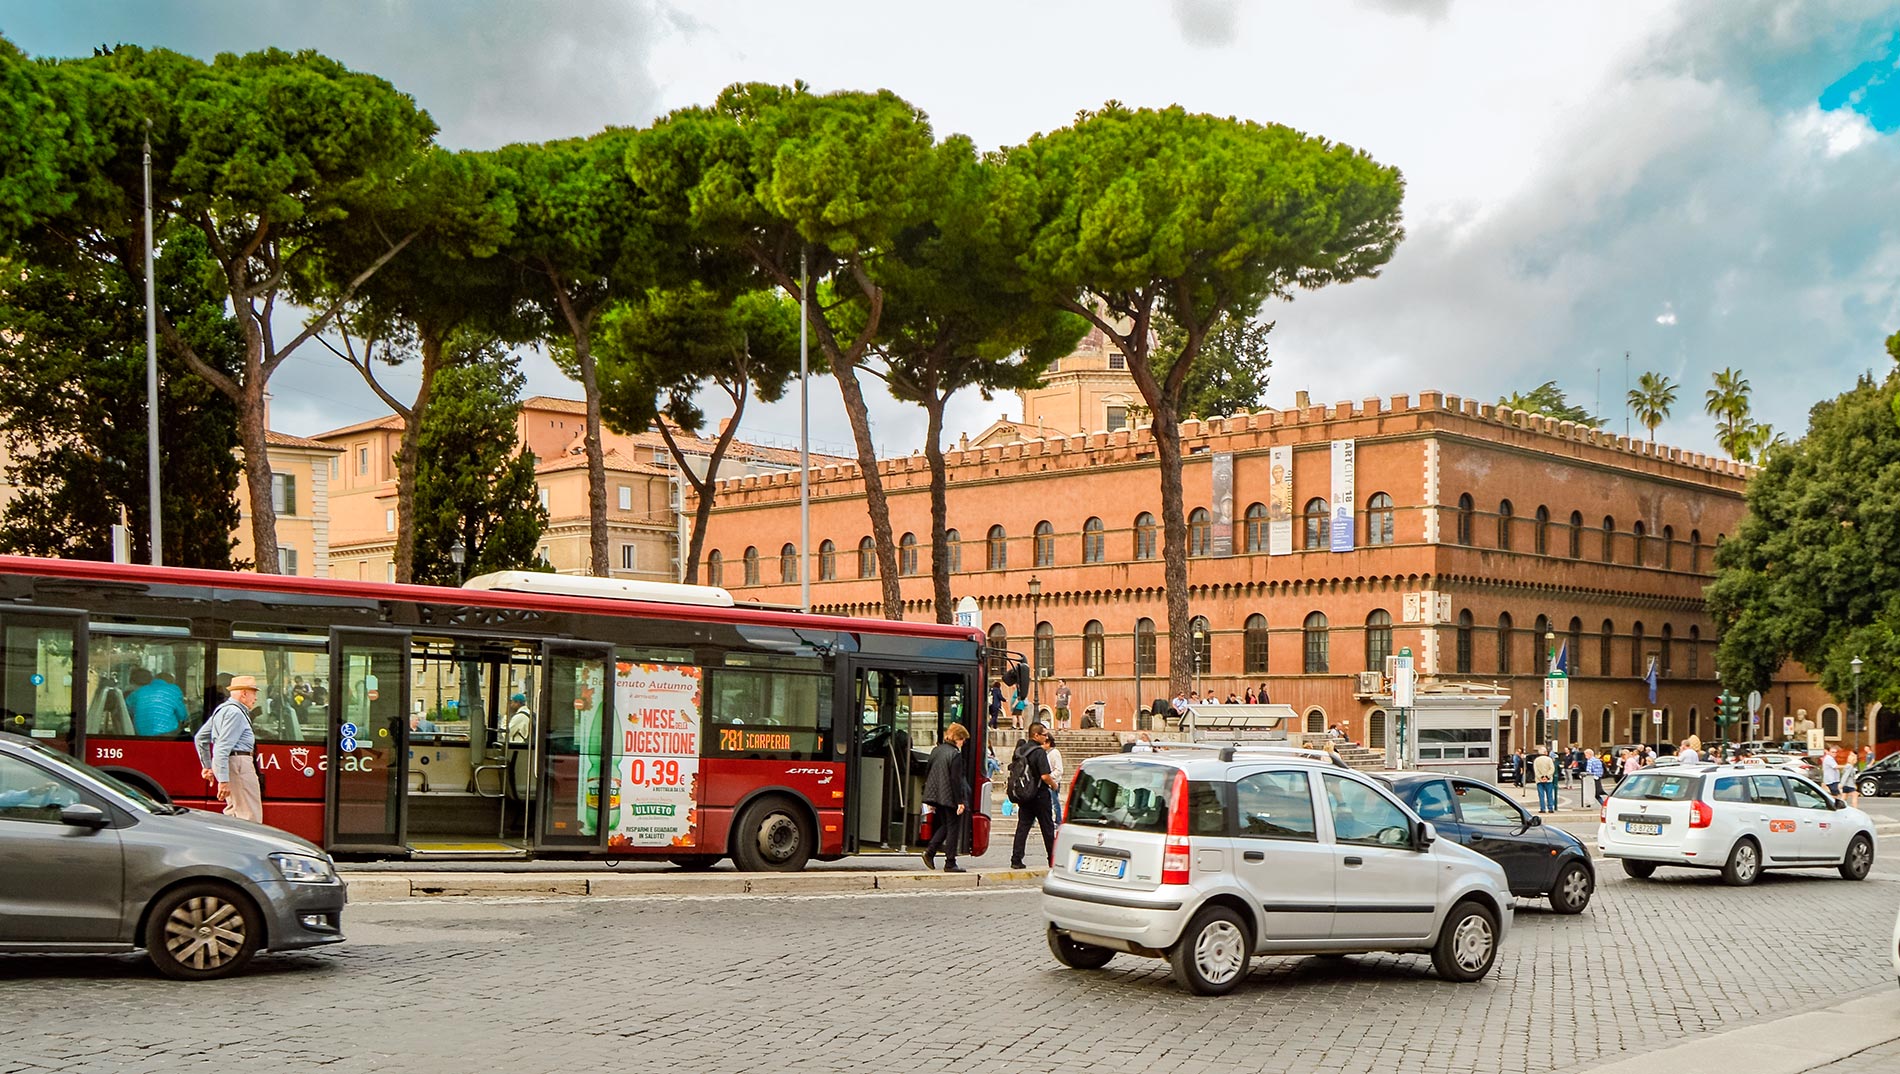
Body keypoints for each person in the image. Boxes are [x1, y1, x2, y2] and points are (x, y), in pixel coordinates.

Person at [195, 674, 262, 824]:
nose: (255, 698)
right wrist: (223, 781)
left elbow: (201, 738)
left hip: (231, 764)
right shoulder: (235, 713)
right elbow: (222, 747)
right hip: (239, 764)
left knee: (234, 814)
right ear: (244, 693)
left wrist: (207, 766)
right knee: (249, 817)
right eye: (254, 693)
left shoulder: (223, 709)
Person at [920, 722, 970, 873]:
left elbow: (928, 771)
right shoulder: (955, 755)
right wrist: (960, 801)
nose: (963, 743)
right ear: (957, 738)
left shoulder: (937, 750)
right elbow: (956, 780)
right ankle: (950, 861)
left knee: (946, 825)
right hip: (949, 796)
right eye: (963, 740)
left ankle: (931, 851)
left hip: (936, 794)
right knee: (953, 827)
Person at [1009, 722, 1058, 869]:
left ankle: (1016, 859)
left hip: (1024, 794)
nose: (1046, 737)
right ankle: (1052, 859)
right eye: (1044, 734)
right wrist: (1053, 785)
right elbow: (1044, 776)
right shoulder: (1039, 752)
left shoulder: (1021, 750)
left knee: (1023, 826)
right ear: (1036, 735)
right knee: (1047, 827)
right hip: (1040, 794)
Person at [126, 666, 189, 736]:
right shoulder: (174, 689)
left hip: (141, 734)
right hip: (167, 734)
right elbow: (183, 716)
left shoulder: (137, 693)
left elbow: (127, 711)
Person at [1046, 733, 1066, 825]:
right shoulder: (1048, 753)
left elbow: (1059, 769)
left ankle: (1058, 820)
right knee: (1052, 802)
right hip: (1049, 781)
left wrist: (1050, 776)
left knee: (1054, 802)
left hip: (1054, 781)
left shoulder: (1054, 753)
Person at [1532, 747, 1557, 814]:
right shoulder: (1549, 759)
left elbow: (1536, 770)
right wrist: (1547, 776)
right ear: (1545, 752)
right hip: (1548, 780)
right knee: (1549, 794)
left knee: (1541, 795)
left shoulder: (1536, 760)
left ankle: (1542, 808)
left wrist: (1541, 777)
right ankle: (1550, 808)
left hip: (1539, 780)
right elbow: (1552, 769)